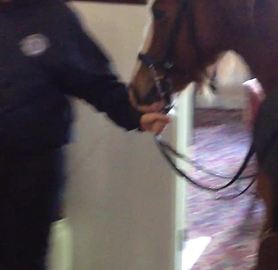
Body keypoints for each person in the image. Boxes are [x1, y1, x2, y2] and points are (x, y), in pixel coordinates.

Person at [0, 0, 170, 269]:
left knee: (25, 260)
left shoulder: (53, 16)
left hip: (32, 170)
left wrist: (134, 114)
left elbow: (95, 82)